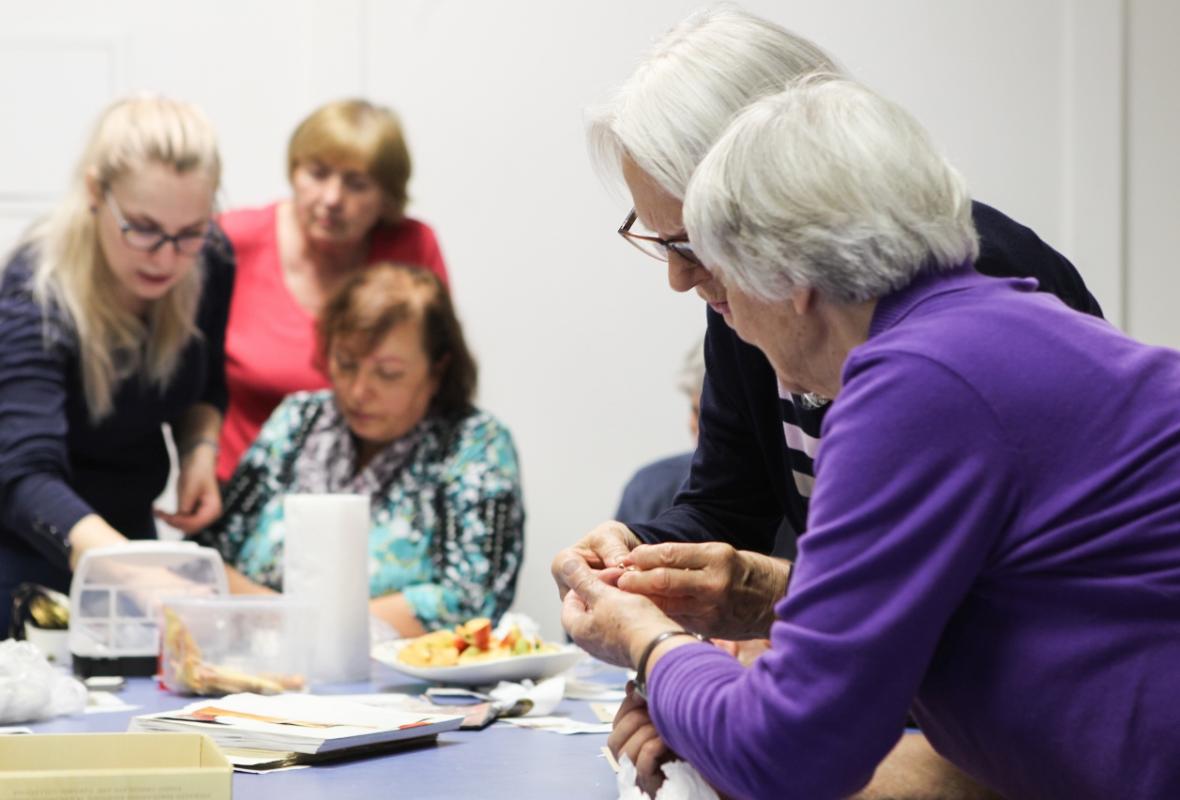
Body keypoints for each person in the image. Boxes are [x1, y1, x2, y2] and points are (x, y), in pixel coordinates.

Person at [563, 74, 1180, 800]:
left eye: (721, 280)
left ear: (788, 275)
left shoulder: (917, 383)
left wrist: (647, 641)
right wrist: (738, 651)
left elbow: (787, 753)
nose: (722, 314)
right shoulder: (992, 326)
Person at [555, 4, 1103, 646]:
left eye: (697, 243)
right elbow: (729, 508)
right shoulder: (744, 311)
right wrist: (631, 560)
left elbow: (963, 599)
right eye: (665, 242)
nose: (681, 279)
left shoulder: (977, 292)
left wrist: (685, 652)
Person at [0, 95, 233, 634]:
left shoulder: (211, 259)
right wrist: (129, 570)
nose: (166, 257)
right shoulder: (36, 290)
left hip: (128, 531)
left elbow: (208, 381)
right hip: (26, 544)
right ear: (95, 192)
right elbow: (22, 472)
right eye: (143, 228)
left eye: (189, 232)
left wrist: (200, 451)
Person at [198, 264, 523, 636]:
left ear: (437, 371)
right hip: (255, 667)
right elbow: (207, 561)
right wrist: (293, 625)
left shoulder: (474, 444)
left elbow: (470, 601)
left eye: (388, 374)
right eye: (346, 364)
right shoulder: (299, 420)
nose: (358, 391)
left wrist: (299, 626)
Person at [216, 98, 448, 482]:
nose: (332, 199)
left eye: (357, 184)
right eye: (317, 173)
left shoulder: (413, 248)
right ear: (294, 171)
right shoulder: (232, 242)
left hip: (381, 490)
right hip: (248, 497)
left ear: (388, 197)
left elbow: (438, 374)